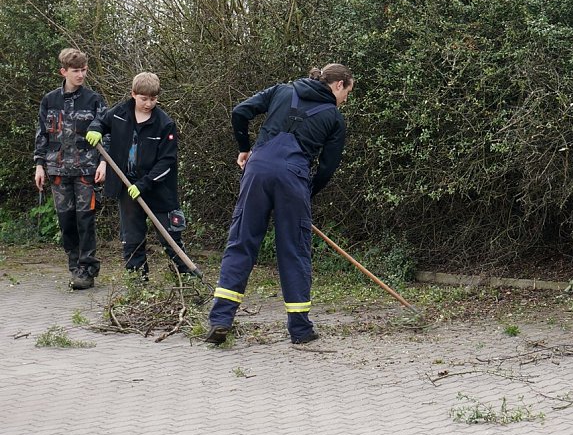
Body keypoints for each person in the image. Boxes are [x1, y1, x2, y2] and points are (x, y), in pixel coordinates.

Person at [205, 64, 353, 345]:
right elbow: (327, 167)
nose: (346, 99)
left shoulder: (282, 91)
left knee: (241, 242)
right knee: (293, 251)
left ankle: (220, 319)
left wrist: (244, 148)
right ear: (338, 85)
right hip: (293, 179)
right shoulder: (334, 117)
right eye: (348, 92)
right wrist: (306, 193)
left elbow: (240, 112)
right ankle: (300, 330)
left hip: (257, 171)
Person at [85, 72, 191, 278]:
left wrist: (143, 184)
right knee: (132, 238)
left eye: (153, 99)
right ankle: (137, 281)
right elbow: (101, 122)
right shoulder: (119, 113)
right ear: (133, 94)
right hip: (127, 187)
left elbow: (167, 162)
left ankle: (187, 277)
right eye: (144, 99)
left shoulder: (165, 124)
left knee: (170, 238)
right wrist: (95, 129)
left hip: (158, 189)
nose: (148, 104)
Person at [34, 48, 109, 290]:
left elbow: (106, 133)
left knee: (85, 220)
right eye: (76, 71)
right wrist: (39, 165)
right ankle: (75, 267)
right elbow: (42, 134)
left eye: (84, 70)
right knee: (66, 221)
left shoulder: (94, 100)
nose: (81, 75)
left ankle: (87, 269)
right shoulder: (49, 100)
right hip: (57, 170)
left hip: (86, 170)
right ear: (63, 71)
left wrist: (104, 162)